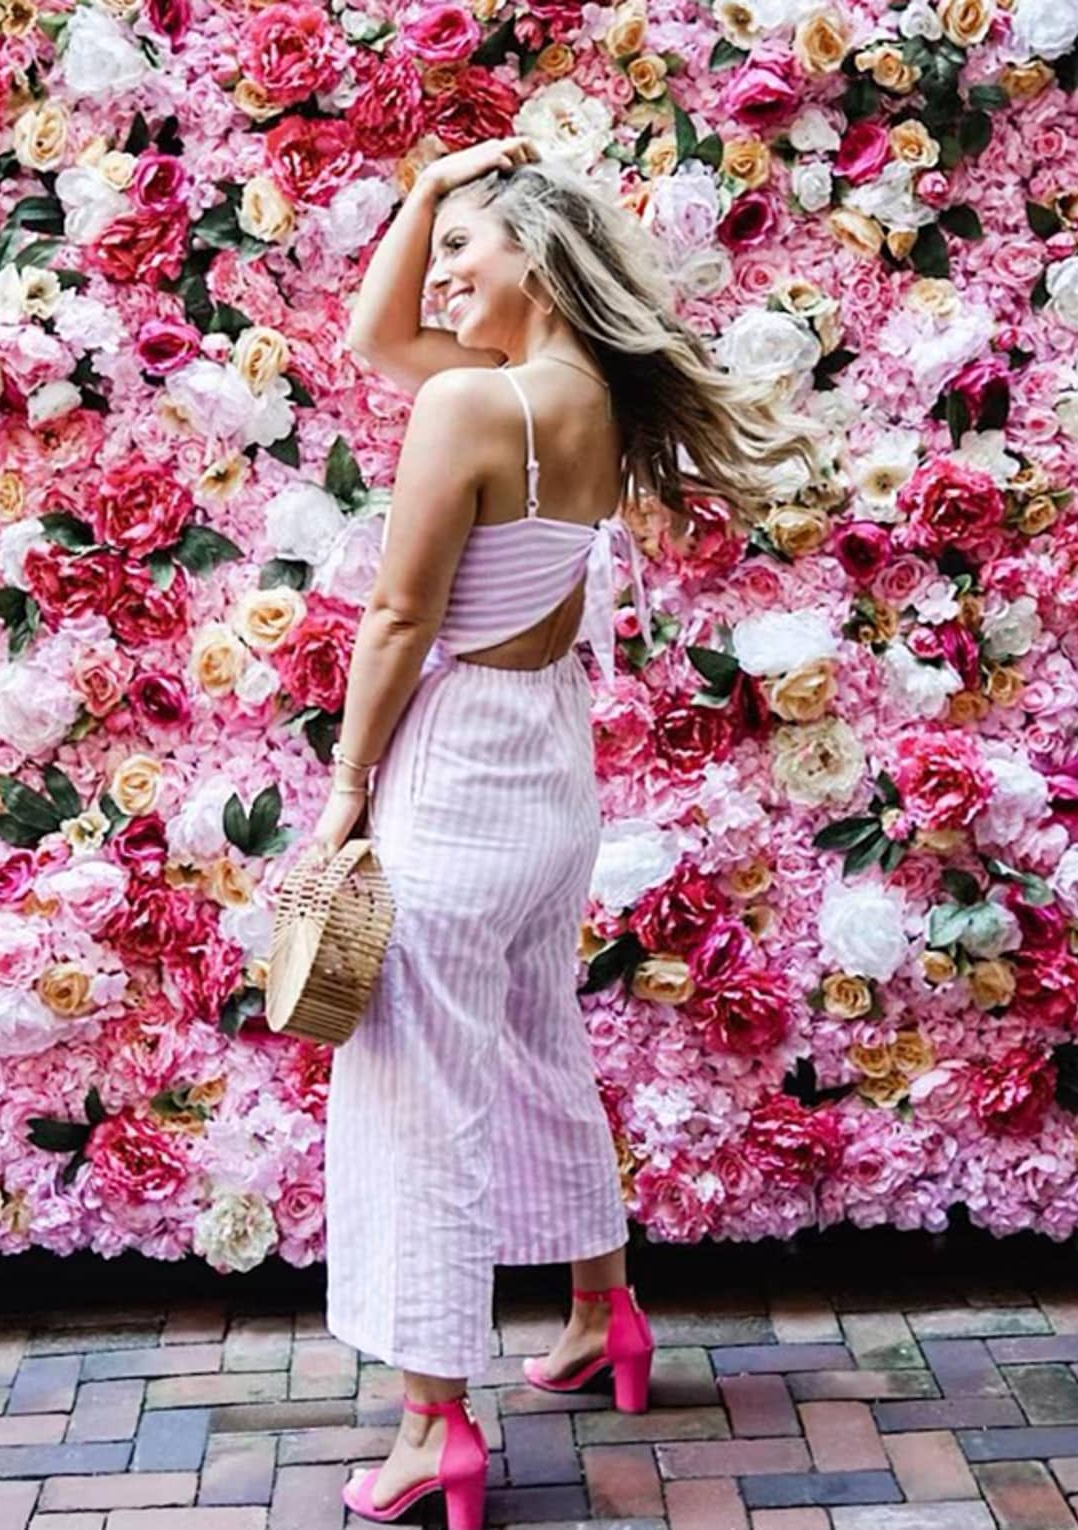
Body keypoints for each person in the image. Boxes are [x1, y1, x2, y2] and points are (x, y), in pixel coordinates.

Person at [306, 135, 824, 1529]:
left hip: (454, 776)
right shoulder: (583, 396)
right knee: (537, 1040)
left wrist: (347, 783)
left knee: (418, 1089)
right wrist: (422, 194)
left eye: (466, 249)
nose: (443, 278)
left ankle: (432, 1429)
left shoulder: (474, 406)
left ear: (531, 259)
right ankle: (605, 1314)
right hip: (548, 770)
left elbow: (402, 618)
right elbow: (378, 335)